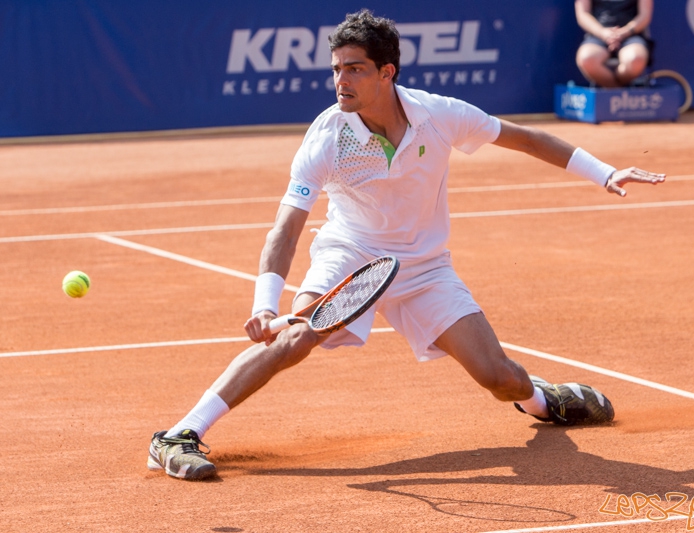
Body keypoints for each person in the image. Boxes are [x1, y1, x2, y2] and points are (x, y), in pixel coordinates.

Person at [147, 9, 665, 481]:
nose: (340, 81)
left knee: (499, 377)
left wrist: (602, 172)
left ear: (386, 72)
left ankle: (541, 401)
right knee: (296, 337)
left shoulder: (440, 115)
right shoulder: (328, 136)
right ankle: (178, 434)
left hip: (424, 266)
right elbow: (285, 226)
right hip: (349, 254)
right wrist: (265, 302)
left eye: (354, 69)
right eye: (336, 69)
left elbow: (525, 138)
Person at [574, 0, 654, 88]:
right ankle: (619, 94)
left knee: (636, 59)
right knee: (587, 59)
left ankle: (616, 95)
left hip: (632, 35)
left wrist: (623, 33)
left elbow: (645, 15)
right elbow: (583, 14)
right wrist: (603, 33)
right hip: (598, 35)